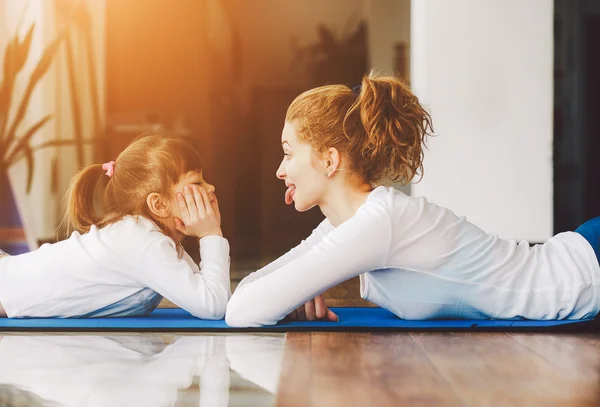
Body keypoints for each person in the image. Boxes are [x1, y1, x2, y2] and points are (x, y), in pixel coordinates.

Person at [225, 72, 600, 327]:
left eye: (289, 153)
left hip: (583, 273)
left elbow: (243, 310)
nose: (279, 170)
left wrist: (286, 294)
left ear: (329, 159)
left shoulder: (378, 224)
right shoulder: (347, 225)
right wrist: (289, 293)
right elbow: (248, 294)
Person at [0, 133, 230, 319]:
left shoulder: (150, 238)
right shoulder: (144, 244)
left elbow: (214, 292)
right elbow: (212, 306)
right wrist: (210, 234)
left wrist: (209, 234)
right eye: (197, 182)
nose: (210, 188)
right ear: (158, 204)